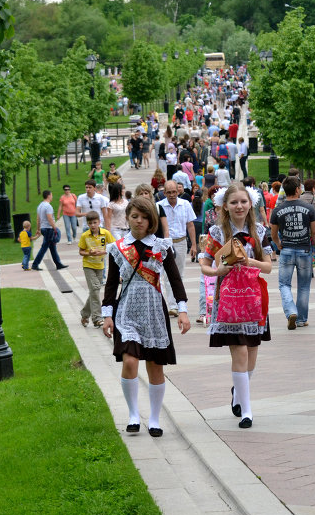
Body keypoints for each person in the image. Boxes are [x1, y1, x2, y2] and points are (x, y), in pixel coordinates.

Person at [102, 196, 190, 437]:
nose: (139, 221)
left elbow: (174, 280)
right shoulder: (118, 248)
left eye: (144, 217)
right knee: (129, 361)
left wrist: (182, 310)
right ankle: (133, 415)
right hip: (127, 312)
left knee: (155, 367)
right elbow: (111, 284)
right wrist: (107, 315)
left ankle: (154, 418)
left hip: (154, 313)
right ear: (127, 218)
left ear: (151, 220)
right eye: (134, 216)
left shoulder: (162, 246)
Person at [200, 183, 272, 429]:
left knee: (251, 354)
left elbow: (269, 266)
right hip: (229, 299)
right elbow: (205, 263)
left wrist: (248, 260)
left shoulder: (261, 231)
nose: (239, 206)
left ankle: (238, 394)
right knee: (240, 351)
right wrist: (217, 270)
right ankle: (247, 411)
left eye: (243, 201)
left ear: (250, 203)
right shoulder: (217, 233)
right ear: (225, 206)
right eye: (234, 202)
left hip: (253, 298)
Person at [270, 175, 315, 329]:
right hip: (305, 250)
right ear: (298, 189)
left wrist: (279, 244)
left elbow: (273, 234)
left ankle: (291, 311)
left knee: (284, 284)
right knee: (304, 286)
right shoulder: (309, 208)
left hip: (286, 250)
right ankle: (301, 318)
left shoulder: (278, 210)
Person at [158, 180, 197, 316]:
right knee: (165, 275)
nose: (172, 195)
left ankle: (178, 303)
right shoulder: (159, 206)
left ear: (178, 191)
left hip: (181, 242)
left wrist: (194, 244)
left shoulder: (185, 205)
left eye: (174, 192)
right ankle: (171, 305)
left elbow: (190, 225)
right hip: (165, 243)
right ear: (164, 193)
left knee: (179, 275)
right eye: (169, 192)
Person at [78, 210, 115, 327]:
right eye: (90, 223)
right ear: (87, 224)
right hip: (88, 266)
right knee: (95, 289)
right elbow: (81, 251)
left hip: (100, 266)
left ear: (99, 222)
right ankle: (97, 318)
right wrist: (89, 253)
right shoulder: (85, 236)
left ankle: (84, 313)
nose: (93, 225)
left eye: (95, 222)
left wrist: (102, 252)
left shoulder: (105, 233)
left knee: (95, 291)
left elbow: (113, 246)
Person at [31, 190, 68, 271]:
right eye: (51, 195)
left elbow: (38, 219)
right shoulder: (48, 206)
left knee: (52, 247)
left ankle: (58, 264)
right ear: (48, 196)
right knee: (44, 247)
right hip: (49, 229)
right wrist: (55, 228)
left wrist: (38, 229)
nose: (52, 196)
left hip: (44, 228)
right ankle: (35, 264)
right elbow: (50, 218)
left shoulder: (40, 206)